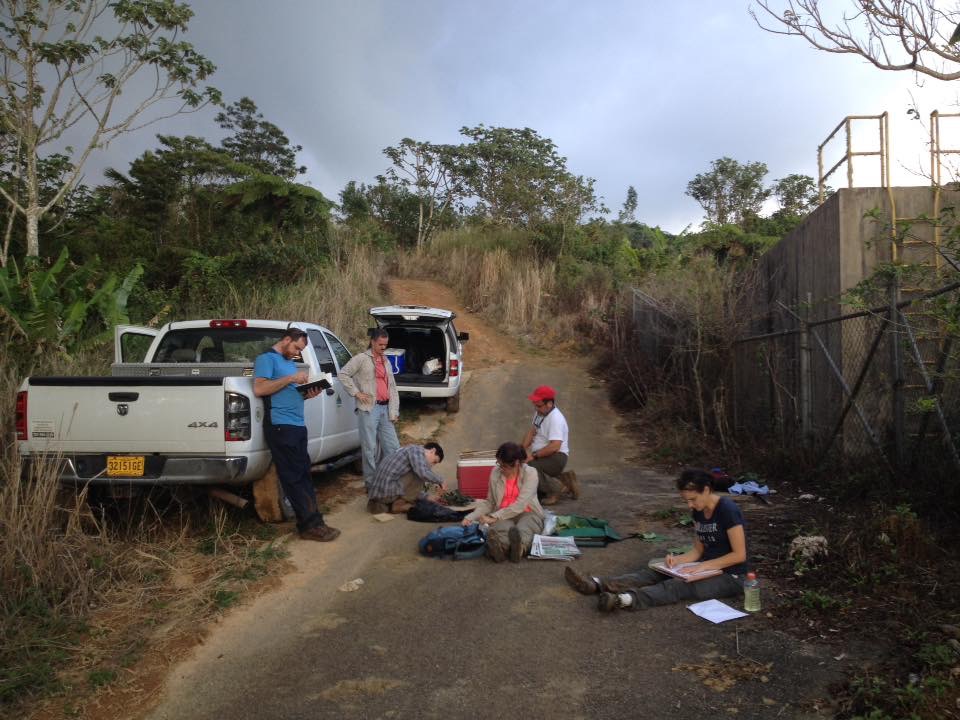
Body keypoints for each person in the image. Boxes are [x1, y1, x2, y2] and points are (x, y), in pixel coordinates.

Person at [564, 468, 747, 612]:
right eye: (686, 501)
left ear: (706, 490)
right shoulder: (698, 512)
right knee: (656, 571)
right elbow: (698, 551)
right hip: (704, 568)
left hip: (731, 576)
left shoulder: (727, 510)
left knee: (678, 586)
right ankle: (597, 584)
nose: (690, 505)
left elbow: (739, 555)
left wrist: (705, 566)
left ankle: (625, 600)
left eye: (693, 499)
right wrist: (677, 560)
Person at [254, 327, 341, 542]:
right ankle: (309, 525)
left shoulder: (289, 361)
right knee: (293, 477)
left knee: (303, 475)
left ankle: (314, 522)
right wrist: (292, 378)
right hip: (281, 426)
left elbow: (287, 394)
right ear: (285, 339)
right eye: (295, 347)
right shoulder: (267, 359)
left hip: (297, 425)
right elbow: (260, 389)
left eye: (300, 350)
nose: (296, 353)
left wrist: (309, 394)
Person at [462, 442, 545, 563]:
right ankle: (501, 549)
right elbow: (490, 502)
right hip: (502, 514)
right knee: (503, 529)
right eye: (498, 464)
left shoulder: (531, 473)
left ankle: (519, 549)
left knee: (524, 528)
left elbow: (520, 505)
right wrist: (470, 517)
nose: (500, 468)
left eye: (504, 466)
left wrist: (494, 517)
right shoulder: (495, 473)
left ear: (516, 463)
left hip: (528, 512)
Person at [339, 328, 401, 488]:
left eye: (385, 344)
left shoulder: (386, 360)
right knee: (370, 448)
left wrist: (394, 410)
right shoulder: (361, 359)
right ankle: (371, 484)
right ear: (373, 342)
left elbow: (392, 387)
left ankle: (390, 480)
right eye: (380, 344)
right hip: (368, 410)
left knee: (393, 447)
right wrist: (356, 393)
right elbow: (343, 374)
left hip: (386, 409)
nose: (383, 347)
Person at [522, 385, 579, 505]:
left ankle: (554, 491)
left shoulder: (556, 419)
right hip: (545, 455)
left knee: (529, 467)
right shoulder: (540, 413)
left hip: (557, 457)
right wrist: (521, 449)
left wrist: (533, 456)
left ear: (549, 403)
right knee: (524, 464)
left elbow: (555, 446)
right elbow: (532, 431)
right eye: (535, 405)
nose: (536, 408)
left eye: (538, 405)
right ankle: (565, 479)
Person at [366, 442, 447, 514]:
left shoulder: (409, 450)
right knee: (420, 474)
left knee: (419, 472)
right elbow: (423, 473)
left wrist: (426, 497)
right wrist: (440, 480)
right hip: (385, 494)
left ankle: (392, 504)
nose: (432, 465)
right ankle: (400, 504)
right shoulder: (416, 451)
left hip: (379, 494)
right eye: (434, 461)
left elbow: (413, 484)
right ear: (432, 451)